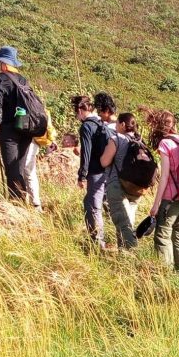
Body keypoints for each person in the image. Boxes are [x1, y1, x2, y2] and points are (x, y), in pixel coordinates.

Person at [0, 46, 40, 202]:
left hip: (10, 129)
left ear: (3, 64)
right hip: (26, 129)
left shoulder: (2, 78)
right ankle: (23, 201)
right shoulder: (23, 80)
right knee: (19, 167)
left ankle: (16, 203)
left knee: (11, 168)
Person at [146, 110, 179, 275]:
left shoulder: (165, 144)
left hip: (171, 197)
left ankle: (164, 276)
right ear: (174, 124)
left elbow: (165, 176)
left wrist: (156, 204)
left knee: (162, 235)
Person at [100, 112, 147, 249]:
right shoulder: (139, 140)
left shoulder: (116, 139)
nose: (115, 126)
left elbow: (104, 161)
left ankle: (131, 254)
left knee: (122, 222)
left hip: (117, 185)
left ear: (122, 124)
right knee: (128, 222)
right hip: (135, 188)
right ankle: (123, 253)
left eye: (116, 123)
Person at [75, 92, 116, 246]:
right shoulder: (102, 124)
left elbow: (86, 152)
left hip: (95, 172)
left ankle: (98, 242)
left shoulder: (86, 126)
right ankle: (111, 236)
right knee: (99, 203)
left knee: (93, 206)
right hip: (107, 170)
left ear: (80, 111)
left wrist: (82, 175)